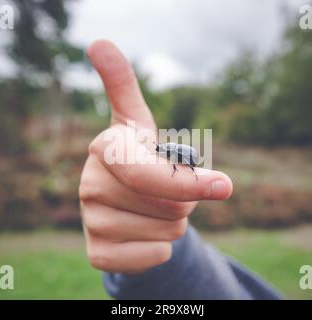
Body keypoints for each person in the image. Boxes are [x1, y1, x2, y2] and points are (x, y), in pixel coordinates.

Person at [78, 39, 282, 299]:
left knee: (176, 162)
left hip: (187, 161)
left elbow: (178, 161)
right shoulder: (169, 151)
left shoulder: (175, 153)